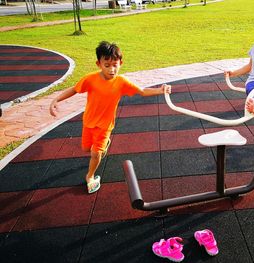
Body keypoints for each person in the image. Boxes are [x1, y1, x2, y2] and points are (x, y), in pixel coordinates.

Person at [49, 41, 171, 194]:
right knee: (86, 149)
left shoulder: (121, 82)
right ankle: (104, 146)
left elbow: (142, 91)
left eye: (115, 65)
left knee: (95, 153)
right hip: (88, 122)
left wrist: (161, 90)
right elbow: (74, 89)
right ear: (98, 64)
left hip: (105, 126)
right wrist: (55, 100)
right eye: (107, 65)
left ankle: (90, 176)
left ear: (121, 63)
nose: (112, 69)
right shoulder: (90, 79)